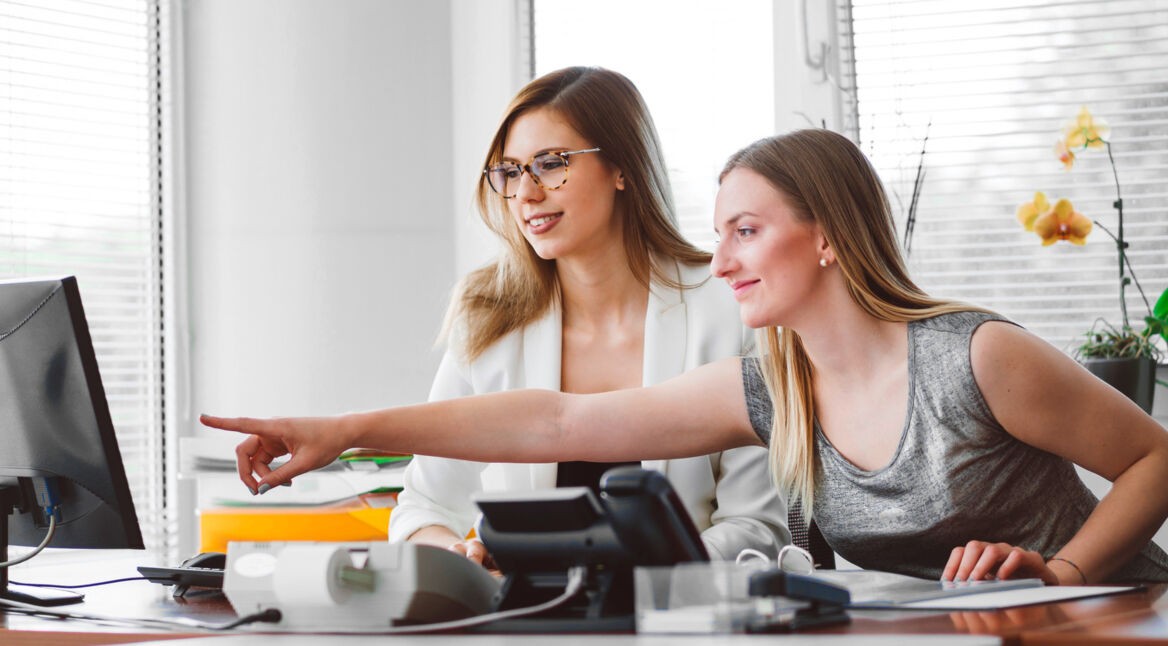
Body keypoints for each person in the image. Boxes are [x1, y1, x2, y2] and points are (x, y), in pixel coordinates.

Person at [204, 128, 1168, 585]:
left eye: (747, 230)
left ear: (828, 237)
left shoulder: (975, 356)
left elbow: (1155, 458)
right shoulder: (775, 386)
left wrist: (1063, 571)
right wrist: (347, 429)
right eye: (720, 233)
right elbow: (560, 421)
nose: (724, 260)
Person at [386, 66, 789, 564]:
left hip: (680, 604)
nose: (526, 194)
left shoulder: (730, 308)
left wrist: (640, 574)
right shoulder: (488, 318)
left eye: (550, 164)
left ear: (622, 167)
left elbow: (756, 528)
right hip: (532, 607)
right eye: (510, 172)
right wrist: (459, 554)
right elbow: (422, 507)